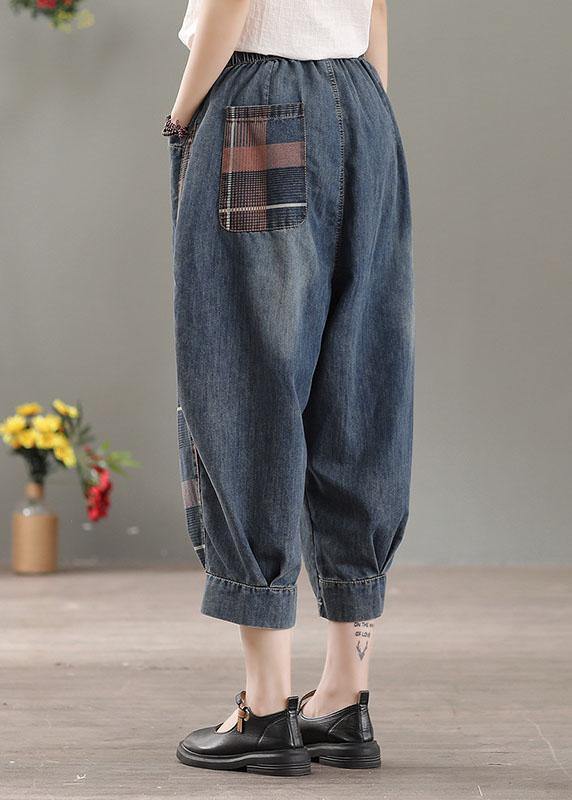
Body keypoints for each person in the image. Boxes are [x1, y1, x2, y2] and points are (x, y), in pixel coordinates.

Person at [164, 0, 414, 776]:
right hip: (364, 106)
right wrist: (360, 113)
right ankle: (344, 698)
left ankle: (266, 707)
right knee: (360, 383)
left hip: (258, 102)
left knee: (250, 378)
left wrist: (183, 114)